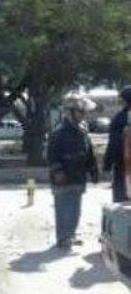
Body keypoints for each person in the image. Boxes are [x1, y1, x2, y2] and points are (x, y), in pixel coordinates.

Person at [48, 95, 99, 249]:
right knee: (64, 209)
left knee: (75, 209)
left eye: (84, 112)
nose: (83, 115)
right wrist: (58, 171)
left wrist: (93, 170)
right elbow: (52, 155)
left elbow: (88, 152)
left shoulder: (82, 130)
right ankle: (63, 238)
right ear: (70, 112)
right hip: (63, 177)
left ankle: (71, 234)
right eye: (80, 112)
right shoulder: (59, 132)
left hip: (78, 176)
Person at [103, 86, 131, 202]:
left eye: (122, 101)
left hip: (123, 166)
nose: (120, 103)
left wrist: (107, 164)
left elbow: (113, 144)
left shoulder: (119, 118)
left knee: (122, 203)